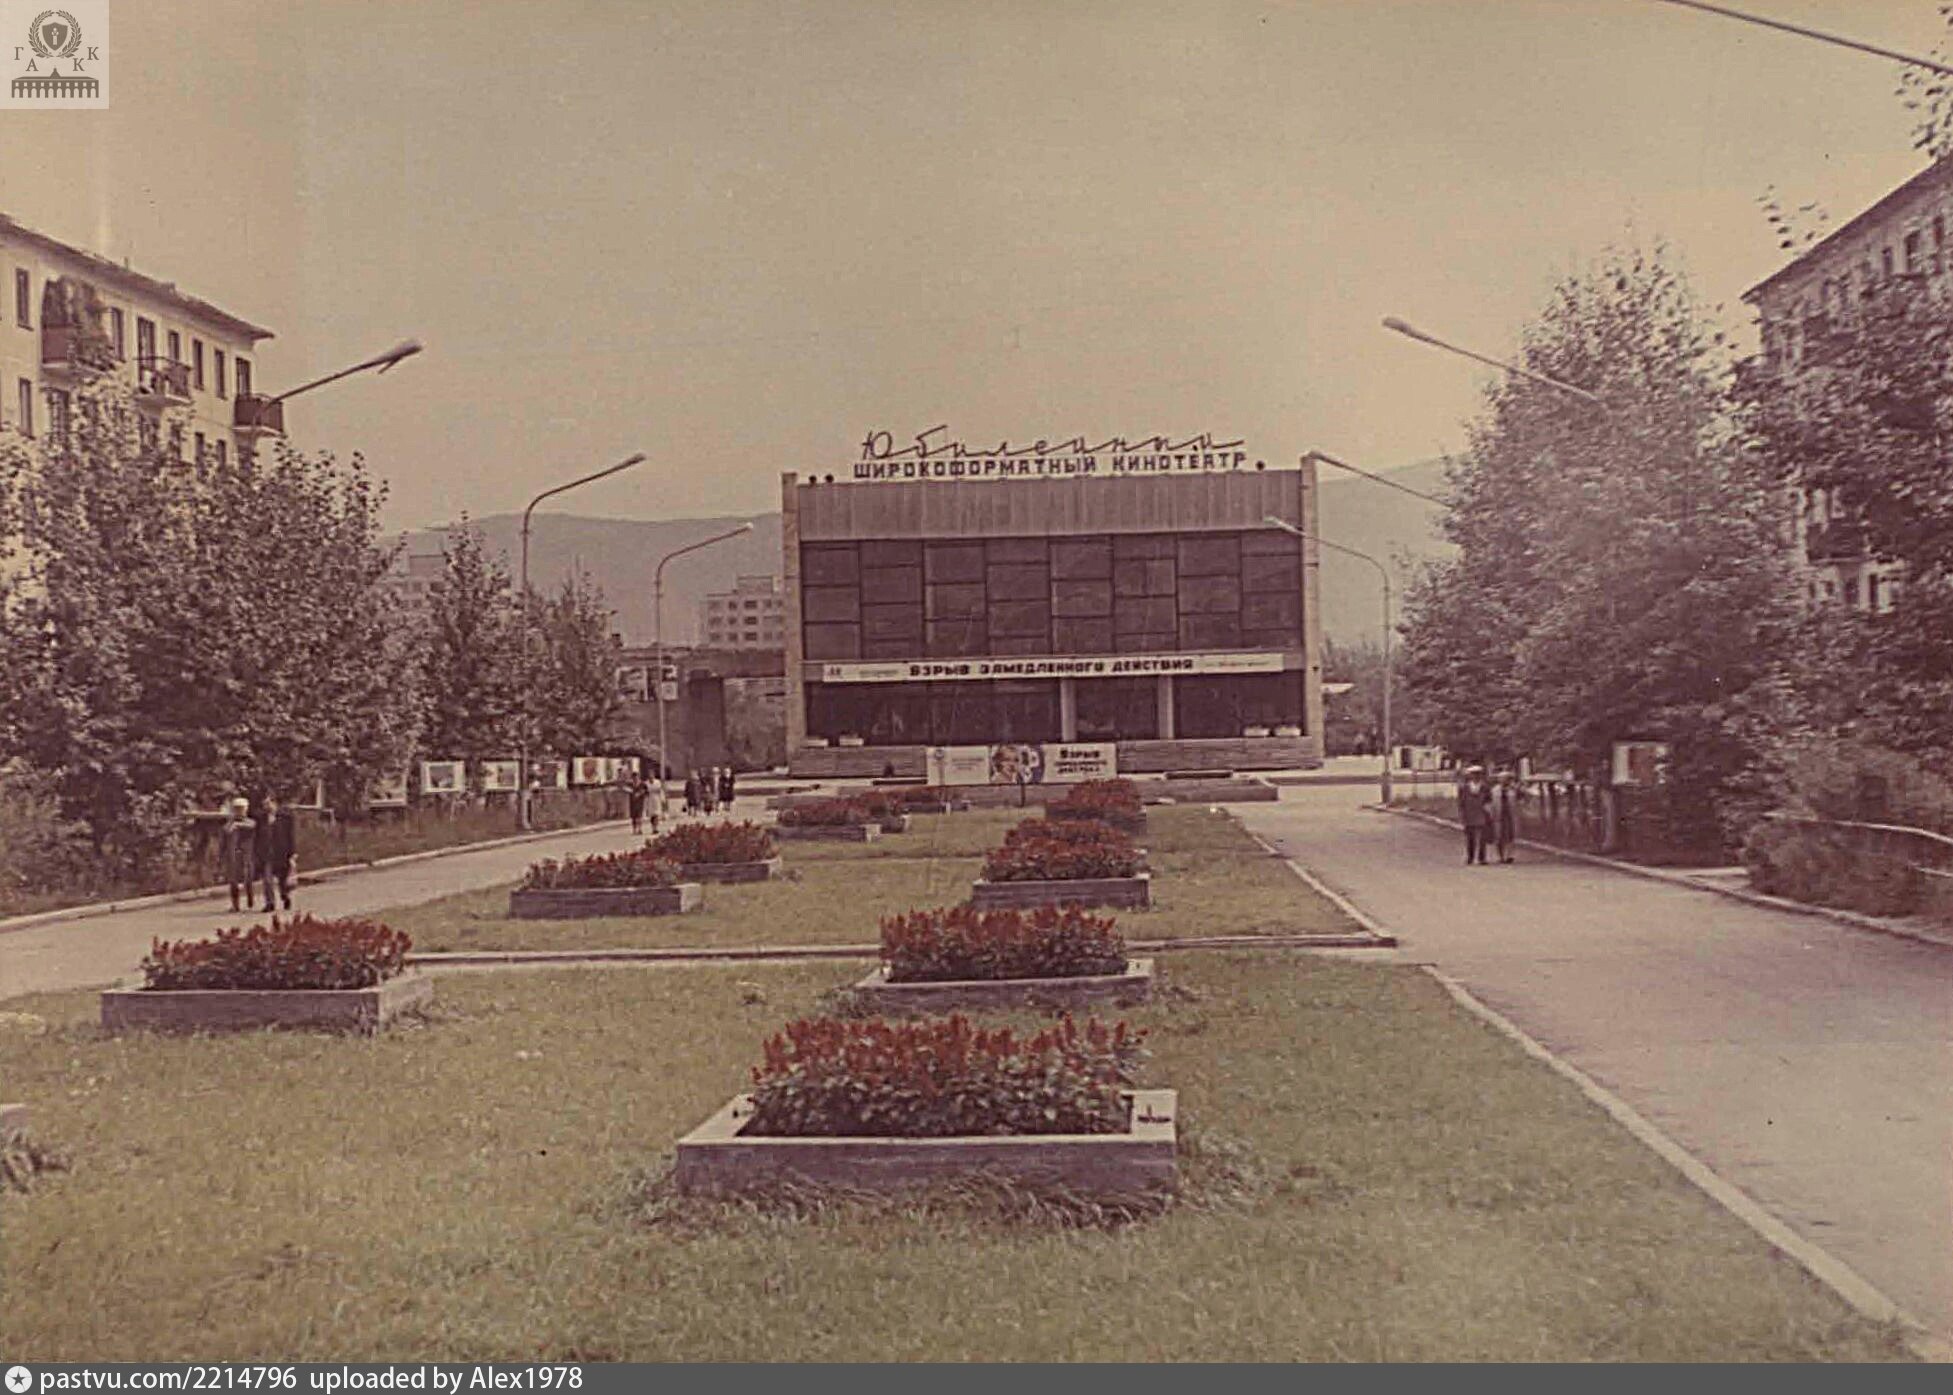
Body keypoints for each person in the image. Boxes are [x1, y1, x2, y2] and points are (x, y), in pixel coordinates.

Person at [254, 792, 297, 912]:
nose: (266, 807)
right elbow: (256, 836)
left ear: (274, 803)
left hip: (282, 853)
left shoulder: (286, 818)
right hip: (266, 854)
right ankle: (270, 903)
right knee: (267, 880)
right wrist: (257, 852)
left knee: (283, 881)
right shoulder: (260, 819)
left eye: (268, 803)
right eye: (264, 804)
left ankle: (285, 896)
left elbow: (290, 836)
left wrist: (292, 853)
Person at [218, 796, 256, 913]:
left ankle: (250, 897)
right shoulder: (227, 826)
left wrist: (237, 825)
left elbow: (252, 825)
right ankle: (235, 905)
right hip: (233, 856)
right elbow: (223, 841)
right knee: (233, 881)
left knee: (248, 878)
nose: (239, 811)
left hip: (247, 856)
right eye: (237, 809)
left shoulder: (250, 822)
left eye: (241, 808)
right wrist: (221, 856)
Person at [1457, 766, 1493, 866]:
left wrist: (1488, 811)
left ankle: (1482, 858)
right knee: (1470, 838)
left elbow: (1489, 800)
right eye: (1473, 774)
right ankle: (1470, 857)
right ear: (1470, 776)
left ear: (1480, 775)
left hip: (1482, 814)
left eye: (1478, 774)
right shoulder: (1464, 788)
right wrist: (1462, 815)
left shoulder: (1485, 787)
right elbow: (1461, 802)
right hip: (1469, 814)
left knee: (1482, 838)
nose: (1476, 776)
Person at [1491, 769, 1523, 864]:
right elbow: (1490, 802)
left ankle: (1510, 855)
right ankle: (1500, 856)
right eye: (1502, 778)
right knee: (1498, 836)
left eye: (1506, 779)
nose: (1504, 780)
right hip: (1498, 816)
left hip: (1510, 816)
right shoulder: (1494, 790)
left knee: (1510, 836)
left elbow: (1522, 799)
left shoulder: (1514, 790)